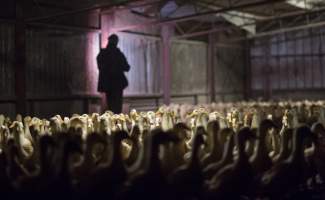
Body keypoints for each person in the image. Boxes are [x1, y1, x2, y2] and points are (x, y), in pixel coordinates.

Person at [97, 34, 130, 114]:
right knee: (117, 106)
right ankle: (116, 123)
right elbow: (127, 67)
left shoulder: (103, 54)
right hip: (117, 83)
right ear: (116, 42)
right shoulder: (118, 54)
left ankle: (112, 122)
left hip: (107, 84)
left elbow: (100, 67)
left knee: (110, 105)